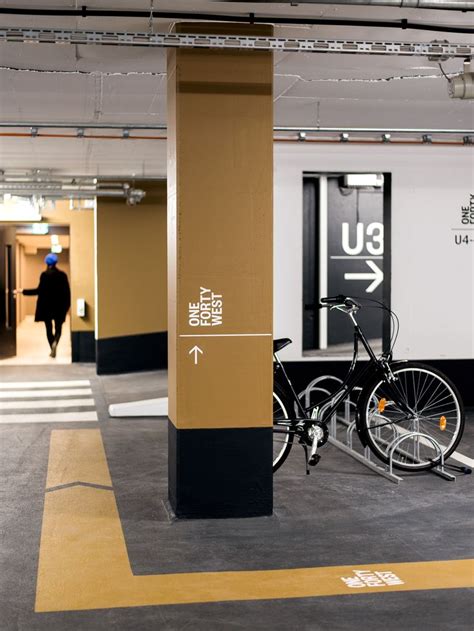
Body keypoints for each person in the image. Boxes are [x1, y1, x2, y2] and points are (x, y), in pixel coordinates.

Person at [22, 253, 71, 358]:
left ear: (46, 263)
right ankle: (56, 342)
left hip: (46, 308)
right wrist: (67, 307)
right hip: (59, 308)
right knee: (58, 328)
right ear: (56, 262)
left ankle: (52, 345)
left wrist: (23, 291)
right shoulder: (63, 275)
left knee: (48, 329)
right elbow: (67, 293)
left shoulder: (44, 275)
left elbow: (38, 291)